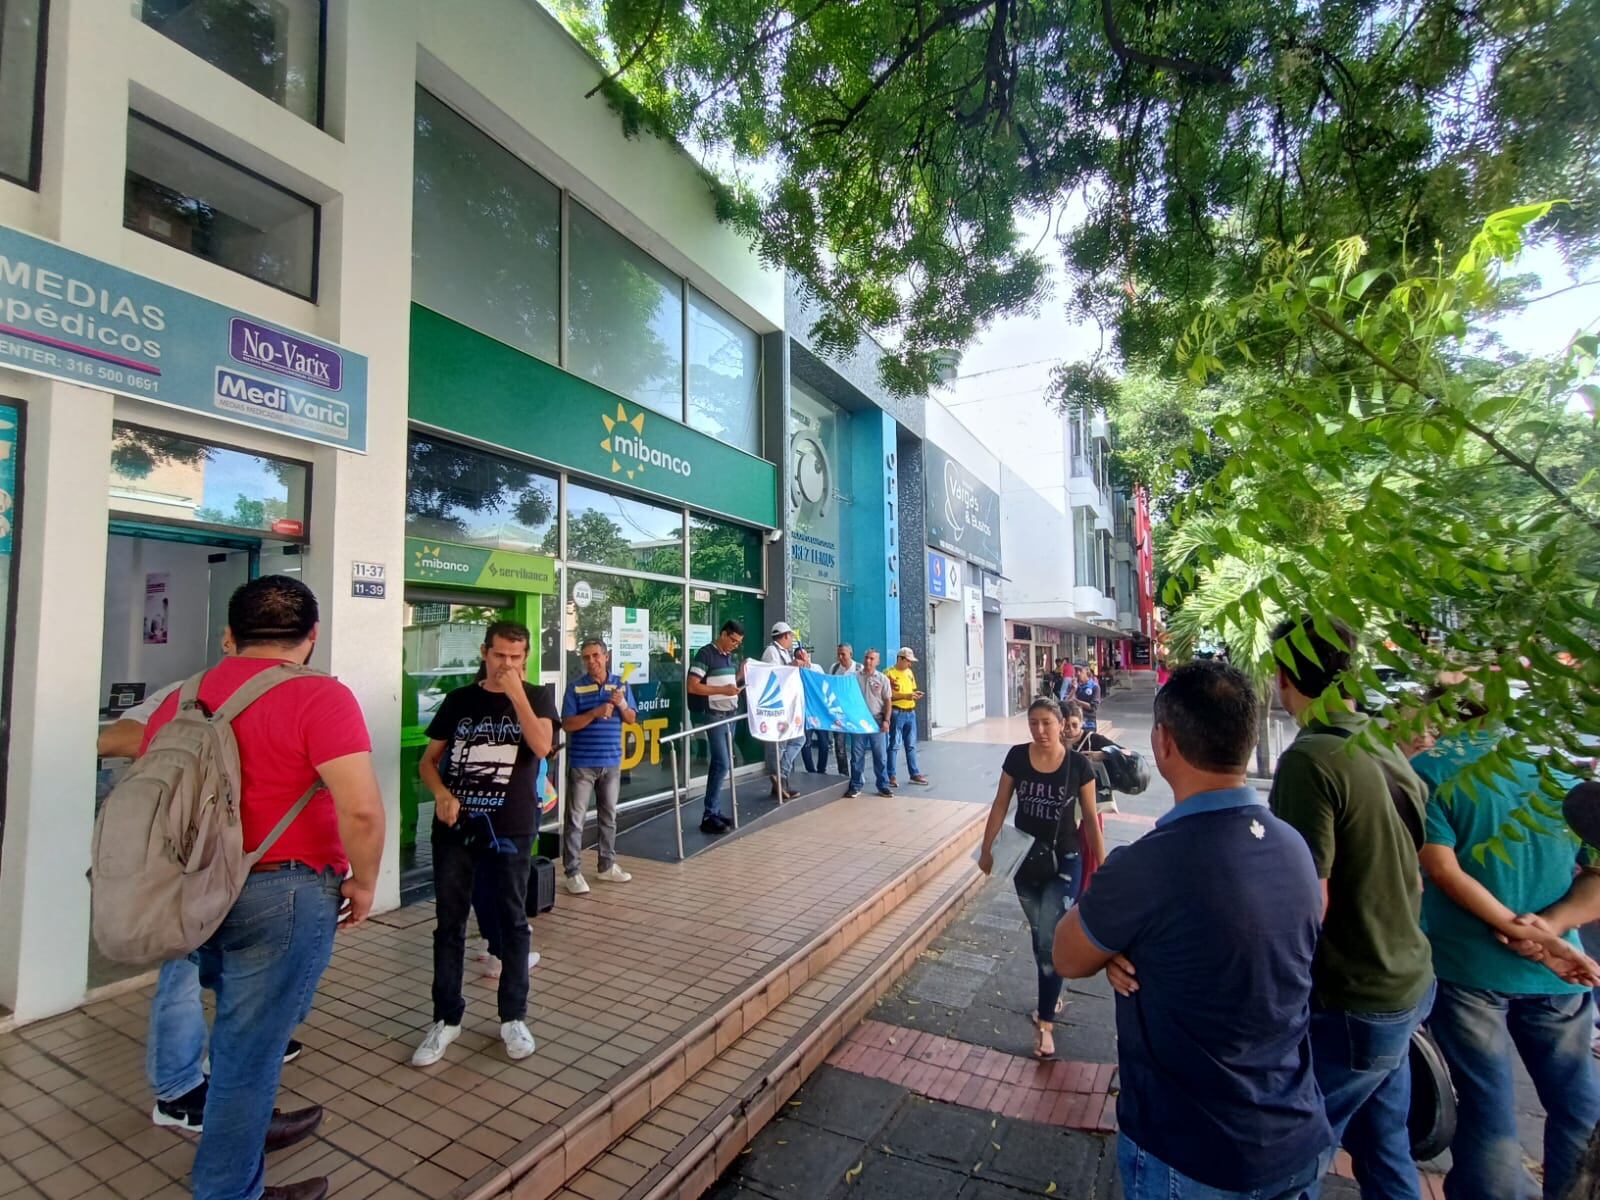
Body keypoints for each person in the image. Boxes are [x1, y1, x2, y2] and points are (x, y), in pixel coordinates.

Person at [138, 576, 385, 1200]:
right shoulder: (320, 696)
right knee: (250, 1051)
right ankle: (228, 1187)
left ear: (231, 634)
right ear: (312, 636)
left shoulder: (183, 697)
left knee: (235, 1034)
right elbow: (361, 810)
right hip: (283, 893)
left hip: (192, 890)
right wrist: (365, 882)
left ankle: (240, 1135)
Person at [1053, 661, 1333, 1198]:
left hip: (1192, 1157)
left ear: (1163, 742)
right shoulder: (1295, 848)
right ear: (1248, 740)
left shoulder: (1147, 867)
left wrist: (1120, 942)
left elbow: (1067, 955)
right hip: (1296, 1137)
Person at [98, 637, 311, 1136]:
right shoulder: (188, 693)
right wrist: (202, 739)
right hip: (196, 861)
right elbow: (113, 740)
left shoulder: (300, 693)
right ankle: (178, 1092)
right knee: (183, 977)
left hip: (258, 866)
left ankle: (236, 1055)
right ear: (230, 640)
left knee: (253, 972)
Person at [1267, 615, 1435, 1198]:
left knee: (1294, 1154)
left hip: (1355, 995)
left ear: (1284, 676)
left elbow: (1306, 902)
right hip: (1407, 978)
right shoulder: (1380, 742)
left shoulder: (1311, 759)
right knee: (1385, 1148)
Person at [1412, 709, 1600, 1200]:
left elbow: (1441, 869)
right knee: (1578, 1105)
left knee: (1487, 1111)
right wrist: (1550, 930)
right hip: (1559, 971)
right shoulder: (1566, 768)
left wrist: (1517, 929)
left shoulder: (1433, 769)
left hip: (1467, 968)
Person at [413, 621, 555, 1068]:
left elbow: (542, 746)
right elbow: (428, 762)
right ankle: (446, 1018)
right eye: (499, 655)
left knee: (512, 921)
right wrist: (441, 793)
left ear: (526, 658)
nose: (505, 664)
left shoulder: (537, 698)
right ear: (484, 652)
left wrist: (516, 695)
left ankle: (513, 1017)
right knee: (449, 923)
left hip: (511, 828)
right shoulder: (459, 700)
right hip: (456, 829)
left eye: (515, 657)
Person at [978, 696, 1103, 1059]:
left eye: (1047, 722)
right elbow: (1000, 804)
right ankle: (1053, 988)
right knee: (1040, 937)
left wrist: (1104, 864)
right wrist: (987, 849)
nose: (1040, 730)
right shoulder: (1017, 757)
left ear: (1062, 724)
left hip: (1065, 859)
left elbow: (1090, 819)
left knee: (1049, 936)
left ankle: (1046, 1024)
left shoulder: (1078, 765)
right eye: (1033, 723)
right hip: (1025, 860)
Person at [560, 638, 637, 895]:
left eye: (595, 655)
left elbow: (631, 718)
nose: (591, 661)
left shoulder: (621, 685)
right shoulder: (575, 688)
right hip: (582, 763)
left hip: (611, 762)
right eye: (586, 657)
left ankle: (607, 866)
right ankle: (573, 872)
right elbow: (567, 725)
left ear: (606, 656)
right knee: (575, 820)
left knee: (609, 817)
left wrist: (622, 704)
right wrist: (595, 712)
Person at [687, 620, 745, 834]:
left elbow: (726, 684)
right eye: (733, 641)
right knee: (722, 763)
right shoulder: (706, 654)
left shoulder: (728, 657)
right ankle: (709, 814)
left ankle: (714, 810)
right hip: (715, 716)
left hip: (730, 715)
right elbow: (693, 686)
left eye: (738, 643)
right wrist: (723, 691)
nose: (735, 646)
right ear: (723, 634)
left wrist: (740, 676)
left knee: (720, 764)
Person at [761, 621, 803, 798]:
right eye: (790, 636)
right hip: (776, 706)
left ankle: (781, 776)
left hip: (788, 705)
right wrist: (792, 665)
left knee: (797, 739)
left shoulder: (784, 653)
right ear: (785, 635)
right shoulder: (771, 652)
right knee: (778, 744)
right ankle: (778, 776)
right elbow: (772, 675)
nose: (792, 639)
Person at [845, 649, 893, 799]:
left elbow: (888, 701)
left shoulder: (882, 679)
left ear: (878, 661)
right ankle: (856, 785)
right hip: (859, 722)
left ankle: (883, 785)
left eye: (872, 659)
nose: (868, 661)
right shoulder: (854, 677)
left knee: (880, 755)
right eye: (866, 657)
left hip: (877, 721)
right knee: (856, 755)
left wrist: (886, 720)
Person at [1062, 698, 1121, 817]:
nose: (1071, 730)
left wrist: (1103, 754)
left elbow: (1123, 752)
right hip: (1063, 801)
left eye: (1074, 725)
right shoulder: (1056, 741)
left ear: (1081, 722)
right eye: (1066, 726)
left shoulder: (1093, 739)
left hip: (1090, 802)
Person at [884, 646, 930, 787]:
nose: (910, 664)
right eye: (908, 661)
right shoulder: (889, 673)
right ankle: (891, 775)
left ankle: (914, 773)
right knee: (894, 745)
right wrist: (907, 696)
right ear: (901, 659)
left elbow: (911, 689)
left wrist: (913, 695)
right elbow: (888, 695)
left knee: (911, 745)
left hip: (910, 712)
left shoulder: (909, 673)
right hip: (897, 712)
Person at [796, 644, 832, 774]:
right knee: (806, 743)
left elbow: (823, 685)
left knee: (824, 742)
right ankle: (810, 770)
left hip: (819, 711)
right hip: (804, 712)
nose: (803, 658)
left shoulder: (817, 668)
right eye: (799, 656)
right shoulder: (795, 672)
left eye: (804, 655)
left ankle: (822, 769)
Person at [827, 643, 861, 774]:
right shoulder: (834, 668)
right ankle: (844, 774)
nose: (840, 657)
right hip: (839, 713)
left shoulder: (859, 669)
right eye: (838, 654)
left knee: (857, 747)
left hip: (854, 714)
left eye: (843, 654)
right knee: (839, 746)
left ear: (850, 654)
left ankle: (857, 774)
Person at [1073, 664, 1101, 731]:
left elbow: (1093, 707)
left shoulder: (1094, 686)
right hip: (1075, 723)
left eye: (1080, 670)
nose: (1078, 673)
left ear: (1087, 671)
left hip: (1088, 723)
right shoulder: (1073, 685)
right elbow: (1066, 703)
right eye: (1076, 671)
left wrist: (1078, 702)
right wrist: (1073, 689)